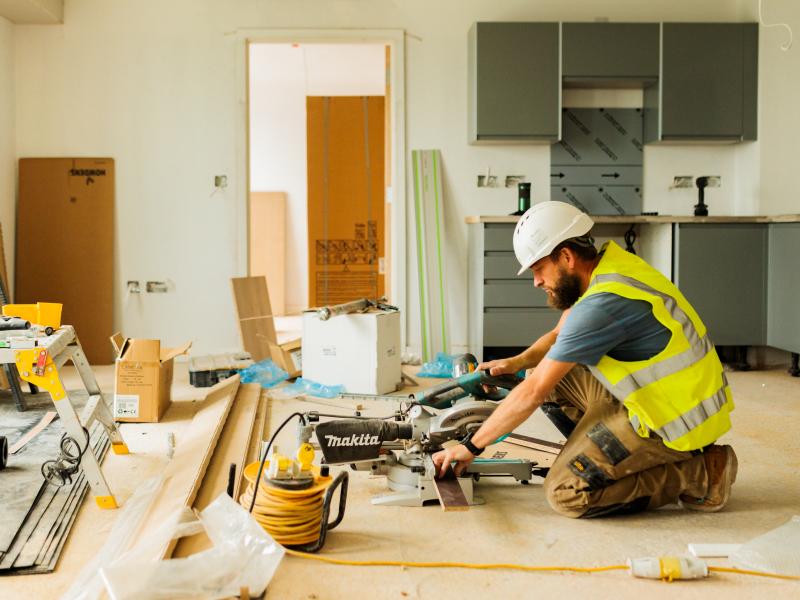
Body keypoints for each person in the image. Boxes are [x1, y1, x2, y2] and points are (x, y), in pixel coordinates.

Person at [432, 201, 738, 517]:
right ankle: (600, 457)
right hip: (657, 397)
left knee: (565, 493)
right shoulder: (610, 267)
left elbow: (534, 390)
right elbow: (557, 337)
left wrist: (471, 446)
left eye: (538, 269)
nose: (536, 281)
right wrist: (518, 362)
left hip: (671, 422)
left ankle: (702, 474)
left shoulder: (601, 305)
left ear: (566, 257)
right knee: (544, 372)